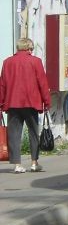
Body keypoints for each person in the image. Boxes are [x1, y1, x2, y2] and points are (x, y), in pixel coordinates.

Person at [0, 37, 51, 174]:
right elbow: (42, 83)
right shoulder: (36, 62)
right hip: (31, 103)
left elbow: (2, 85)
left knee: (14, 135)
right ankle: (34, 163)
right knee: (34, 133)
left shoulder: (7, 62)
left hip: (12, 103)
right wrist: (47, 102)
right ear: (29, 48)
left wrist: (1, 102)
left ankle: (17, 165)